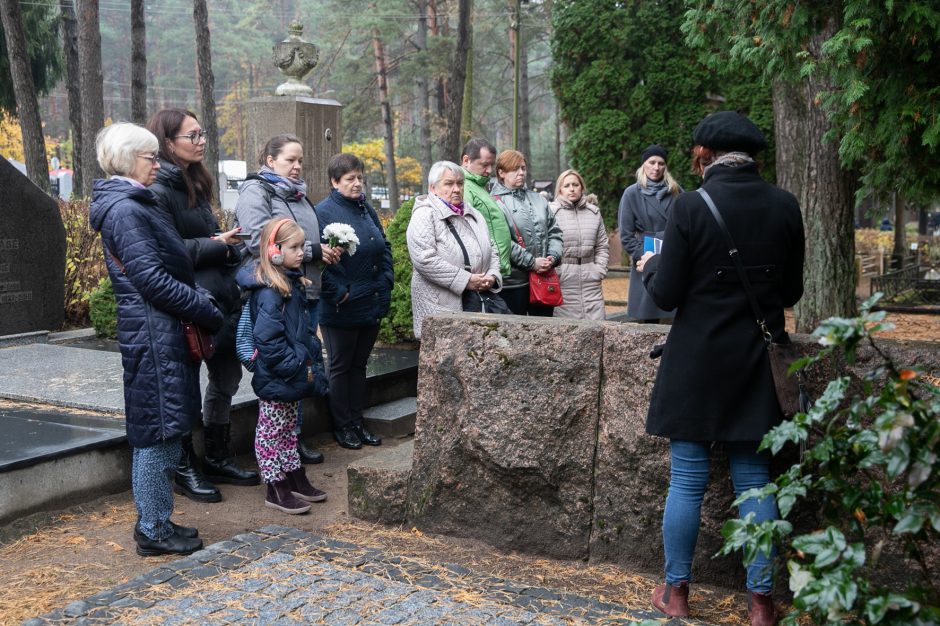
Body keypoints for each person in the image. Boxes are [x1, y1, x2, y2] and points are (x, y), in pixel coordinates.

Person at [636, 111, 805, 626]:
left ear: (704, 155)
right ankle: (760, 603)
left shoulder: (688, 207)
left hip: (696, 362)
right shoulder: (784, 204)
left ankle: (677, 593)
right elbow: (791, 292)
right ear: (753, 155)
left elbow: (665, 293)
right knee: (754, 482)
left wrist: (652, 267)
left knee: (687, 480)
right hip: (756, 361)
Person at [89, 122, 223, 556]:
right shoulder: (127, 209)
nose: (156, 164)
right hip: (153, 330)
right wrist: (204, 307)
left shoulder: (134, 203)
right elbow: (151, 279)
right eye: (150, 157)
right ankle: (152, 528)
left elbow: (168, 264)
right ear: (130, 160)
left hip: (158, 329)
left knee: (163, 430)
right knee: (156, 434)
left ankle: (158, 519)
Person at [146, 108, 256, 503]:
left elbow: (202, 238)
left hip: (220, 298)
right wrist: (216, 244)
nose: (201, 140)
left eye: (201, 133)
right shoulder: (158, 190)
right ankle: (184, 466)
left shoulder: (195, 181)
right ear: (167, 143)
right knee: (186, 392)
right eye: (192, 136)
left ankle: (218, 454)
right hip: (189, 303)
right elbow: (167, 252)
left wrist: (223, 245)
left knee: (226, 379)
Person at [235, 134, 341, 465]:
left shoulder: (297, 194)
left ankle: (293, 442)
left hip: (303, 288)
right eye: (289, 160)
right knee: (287, 367)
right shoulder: (257, 191)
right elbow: (257, 240)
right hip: (277, 290)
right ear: (269, 160)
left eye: (300, 161)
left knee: (303, 365)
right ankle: (278, 453)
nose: (297, 167)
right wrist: (312, 250)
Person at [236, 218, 329, 514]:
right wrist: (293, 366)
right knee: (270, 432)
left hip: (292, 371)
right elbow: (268, 339)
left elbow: (298, 331)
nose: (302, 252)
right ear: (274, 251)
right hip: (278, 373)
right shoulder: (269, 291)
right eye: (294, 247)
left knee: (288, 429)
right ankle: (275, 486)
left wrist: (309, 357)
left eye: (302, 246)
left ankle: (294, 476)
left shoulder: (289, 283)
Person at [315, 153, 393, 450]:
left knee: (359, 366)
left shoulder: (366, 209)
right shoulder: (322, 212)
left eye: (360, 177)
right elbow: (320, 266)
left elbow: (383, 246)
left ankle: (357, 422)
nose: (357, 183)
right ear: (335, 182)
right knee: (340, 366)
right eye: (350, 179)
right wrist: (340, 292)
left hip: (371, 299)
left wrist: (386, 279)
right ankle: (342, 425)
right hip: (342, 305)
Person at [407, 161, 502, 339]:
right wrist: (466, 280)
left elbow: (492, 248)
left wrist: (493, 275)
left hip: (477, 302)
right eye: (449, 184)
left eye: (460, 183)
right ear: (433, 187)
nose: (456, 189)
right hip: (440, 307)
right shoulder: (424, 214)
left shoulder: (473, 213)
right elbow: (424, 259)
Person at [489, 149, 563, 316]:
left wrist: (552, 256)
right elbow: (501, 242)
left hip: (543, 279)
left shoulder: (538, 199)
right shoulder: (492, 203)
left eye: (523, 168)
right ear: (501, 172)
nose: (521, 173)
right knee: (514, 334)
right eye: (515, 169)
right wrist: (531, 262)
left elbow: (554, 231)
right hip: (512, 284)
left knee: (545, 333)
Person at [618, 144, 682, 323]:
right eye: (651, 162)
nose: (656, 167)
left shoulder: (676, 191)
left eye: (661, 163)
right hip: (646, 257)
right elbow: (626, 235)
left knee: (676, 313)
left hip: (673, 254)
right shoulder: (631, 193)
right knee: (650, 316)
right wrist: (644, 256)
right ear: (643, 165)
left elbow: (686, 225)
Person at [549, 169, 609, 320]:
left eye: (575, 184)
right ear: (560, 189)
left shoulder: (594, 213)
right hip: (564, 279)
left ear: (582, 187)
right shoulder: (551, 213)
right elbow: (545, 244)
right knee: (567, 330)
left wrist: (599, 269)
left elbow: (602, 245)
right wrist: (557, 271)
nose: (571, 188)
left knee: (596, 326)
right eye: (567, 185)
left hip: (591, 279)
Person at [460, 138, 511, 280]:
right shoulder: (464, 187)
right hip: (483, 274)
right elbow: (465, 231)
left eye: (491, 165)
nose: (489, 170)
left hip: (493, 271)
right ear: (466, 160)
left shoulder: (478, 185)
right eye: (484, 165)